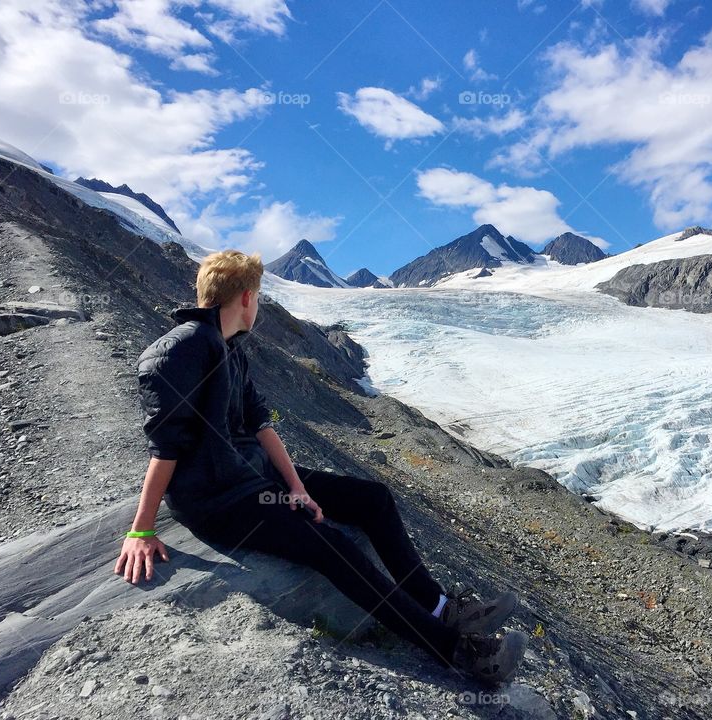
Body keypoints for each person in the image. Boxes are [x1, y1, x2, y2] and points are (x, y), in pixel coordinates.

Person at [114, 249, 528, 686]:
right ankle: (457, 651)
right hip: (219, 500)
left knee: (374, 499)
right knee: (330, 546)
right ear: (248, 298)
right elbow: (166, 445)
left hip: (254, 479)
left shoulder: (230, 349)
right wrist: (141, 529)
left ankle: (442, 607)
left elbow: (259, 424)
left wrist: (296, 488)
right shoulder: (180, 349)